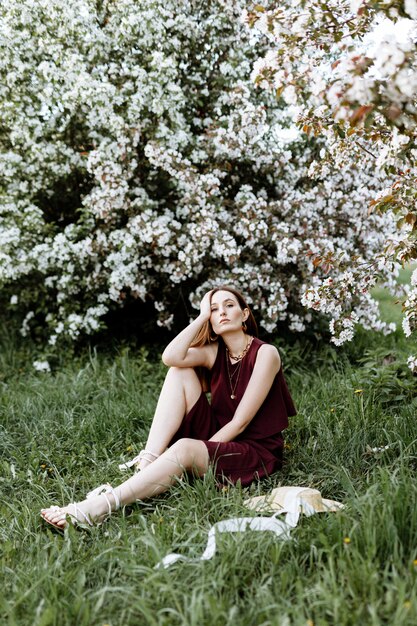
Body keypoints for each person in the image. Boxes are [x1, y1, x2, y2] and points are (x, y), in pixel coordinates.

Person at [41, 286, 296, 530]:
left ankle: (98, 507)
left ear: (245, 314)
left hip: (254, 450)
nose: (223, 313)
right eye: (215, 310)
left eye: (230, 306)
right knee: (178, 372)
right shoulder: (214, 351)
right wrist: (201, 318)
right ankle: (147, 464)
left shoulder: (266, 353)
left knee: (185, 447)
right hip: (220, 432)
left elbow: (240, 422)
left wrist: (203, 450)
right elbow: (170, 357)